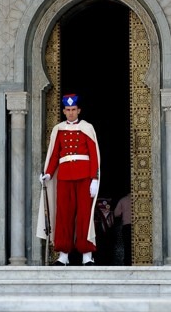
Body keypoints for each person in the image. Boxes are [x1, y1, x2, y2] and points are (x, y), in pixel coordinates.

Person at [36, 93, 100, 266]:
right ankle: (63, 254)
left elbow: (93, 155)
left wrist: (94, 178)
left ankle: (87, 254)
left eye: (74, 109)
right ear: (64, 111)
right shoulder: (59, 129)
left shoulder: (87, 127)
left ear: (79, 110)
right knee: (64, 214)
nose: (71, 113)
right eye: (68, 110)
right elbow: (55, 154)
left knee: (84, 215)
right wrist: (48, 173)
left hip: (84, 176)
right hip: (64, 176)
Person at [114, 191, 132, 265]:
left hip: (127, 226)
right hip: (140, 227)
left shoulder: (123, 200)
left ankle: (128, 262)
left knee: (127, 246)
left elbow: (116, 213)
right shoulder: (140, 199)